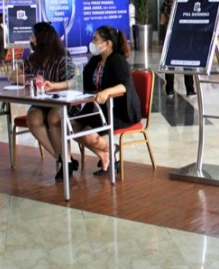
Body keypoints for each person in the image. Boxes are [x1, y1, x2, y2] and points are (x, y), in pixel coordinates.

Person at [71, 25, 141, 175]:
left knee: (86, 134)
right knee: (72, 127)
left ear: (107, 43)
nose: (93, 42)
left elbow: (124, 86)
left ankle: (111, 148)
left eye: (96, 39)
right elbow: (80, 80)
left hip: (120, 110)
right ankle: (105, 156)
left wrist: (106, 92)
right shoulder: (96, 60)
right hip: (99, 108)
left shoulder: (117, 60)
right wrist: (55, 86)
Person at [20, 22, 76, 181]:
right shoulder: (34, 58)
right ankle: (63, 158)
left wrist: (54, 86)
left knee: (54, 117)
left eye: (33, 36)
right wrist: (20, 77)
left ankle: (66, 161)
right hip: (41, 101)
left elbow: (74, 81)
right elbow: (16, 71)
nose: (31, 39)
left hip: (61, 102)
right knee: (33, 118)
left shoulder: (62, 57)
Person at [161, 0, 195, 97]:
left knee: (170, 63)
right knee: (188, 63)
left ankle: (170, 89)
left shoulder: (167, 3)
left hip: (171, 36)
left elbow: (162, 20)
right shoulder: (187, 2)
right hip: (184, 36)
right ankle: (190, 90)